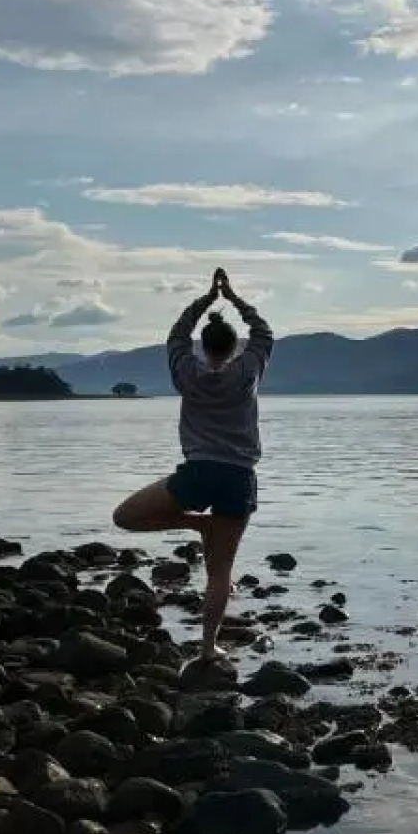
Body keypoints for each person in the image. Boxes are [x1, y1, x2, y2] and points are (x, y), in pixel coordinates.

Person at [112, 268, 273, 660]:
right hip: (237, 477)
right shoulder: (248, 372)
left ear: (204, 347)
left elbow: (177, 335)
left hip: (199, 472)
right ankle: (207, 649)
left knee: (124, 517)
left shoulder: (186, 373)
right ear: (235, 347)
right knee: (220, 572)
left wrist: (206, 299)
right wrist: (232, 298)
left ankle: (195, 523)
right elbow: (264, 332)